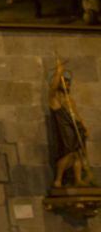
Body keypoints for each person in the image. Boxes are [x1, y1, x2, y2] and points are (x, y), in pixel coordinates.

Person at [49, 59, 92, 187]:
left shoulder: (70, 100)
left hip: (75, 128)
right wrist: (58, 73)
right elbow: (52, 88)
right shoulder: (55, 98)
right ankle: (58, 179)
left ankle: (78, 179)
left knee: (77, 153)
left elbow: (77, 115)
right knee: (68, 153)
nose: (67, 85)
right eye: (65, 83)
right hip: (65, 128)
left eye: (68, 84)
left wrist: (84, 127)